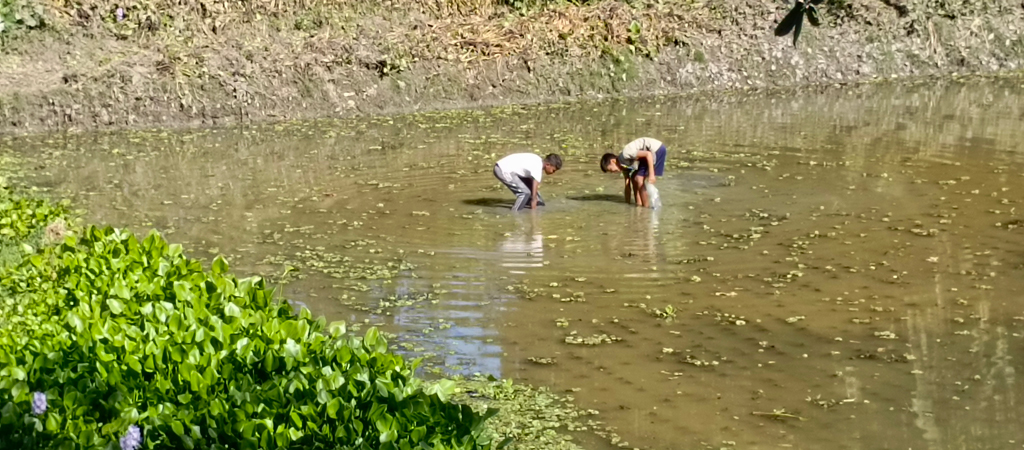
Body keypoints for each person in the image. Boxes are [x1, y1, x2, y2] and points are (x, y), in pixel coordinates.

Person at [600, 137, 667, 208]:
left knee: (638, 178)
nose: (612, 172)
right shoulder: (623, 166)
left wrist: (651, 174)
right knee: (633, 177)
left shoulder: (626, 154)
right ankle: (639, 205)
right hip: (646, 157)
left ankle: (645, 209)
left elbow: (648, 154)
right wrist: (627, 205)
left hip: (656, 150)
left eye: (610, 169)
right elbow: (627, 186)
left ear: (613, 161)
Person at [493, 153, 562, 211]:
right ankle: (515, 214)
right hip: (502, 169)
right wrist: (533, 204)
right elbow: (534, 195)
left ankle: (525, 207)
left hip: (512, 170)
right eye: (553, 170)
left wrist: (535, 199)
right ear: (548, 165)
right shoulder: (537, 167)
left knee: (539, 200)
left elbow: (532, 187)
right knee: (525, 193)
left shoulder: (537, 161)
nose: (553, 173)